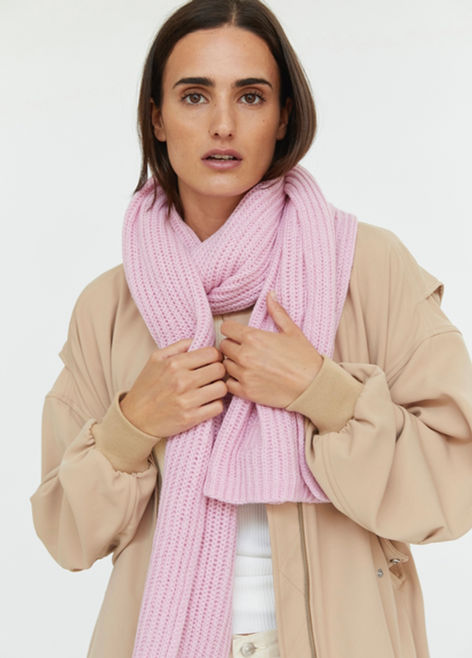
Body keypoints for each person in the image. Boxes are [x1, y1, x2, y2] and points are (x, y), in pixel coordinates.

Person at [29, 1, 472, 657]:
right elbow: (66, 535)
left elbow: (454, 487)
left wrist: (323, 392)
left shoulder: (368, 267)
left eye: (251, 96)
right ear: (157, 117)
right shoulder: (110, 306)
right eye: (194, 95)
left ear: (284, 115)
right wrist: (132, 426)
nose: (223, 124)